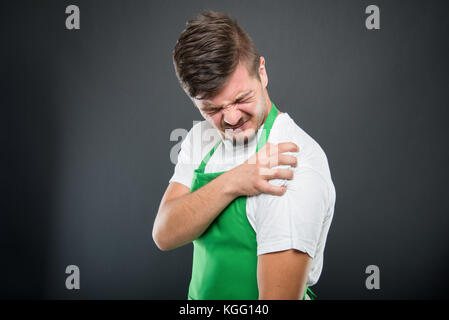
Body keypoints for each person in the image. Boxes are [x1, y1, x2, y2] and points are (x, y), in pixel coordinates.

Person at [152, 10, 336, 300]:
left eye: (241, 98)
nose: (232, 117)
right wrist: (233, 182)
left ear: (262, 72)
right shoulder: (201, 138)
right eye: (212, 109)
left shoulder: (291, 162)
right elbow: (165, 233)